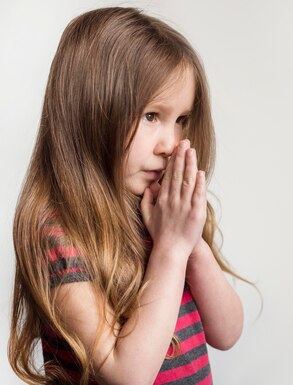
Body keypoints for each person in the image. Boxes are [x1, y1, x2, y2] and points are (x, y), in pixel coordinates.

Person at [9, 7, 252, 385]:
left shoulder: (160, 212)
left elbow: (228, 331)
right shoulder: (59, 234)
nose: (171, 144)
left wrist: (192, 244)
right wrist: (171, 248)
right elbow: (128, 375)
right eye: (152, 116)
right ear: (91, 110)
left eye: (181, 120)